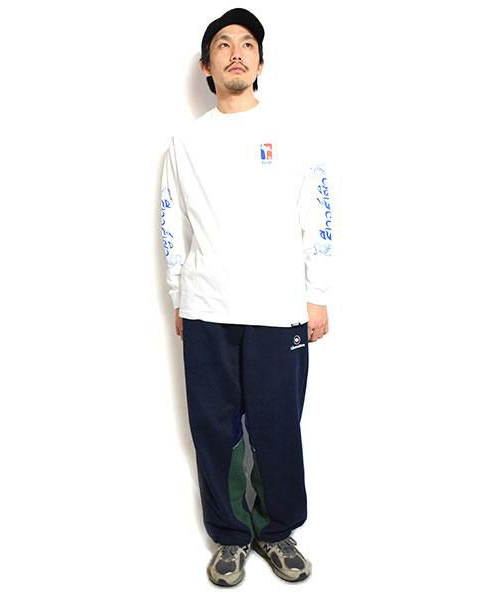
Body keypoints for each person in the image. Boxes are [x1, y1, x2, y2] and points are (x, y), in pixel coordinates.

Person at [160, 7, 333, 587]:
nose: (236, 52)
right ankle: (231, 537)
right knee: (215, 428)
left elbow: (318, 215)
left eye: (247, 45)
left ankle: (277, 530)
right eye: (223, 45)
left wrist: (317, 294)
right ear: (206, 66)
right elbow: (171, 222)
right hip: (206, 308)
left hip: (279, 308)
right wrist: (179, 294)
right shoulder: (185, 142)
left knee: (277, 425)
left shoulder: (294, 134)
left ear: (260, 62)